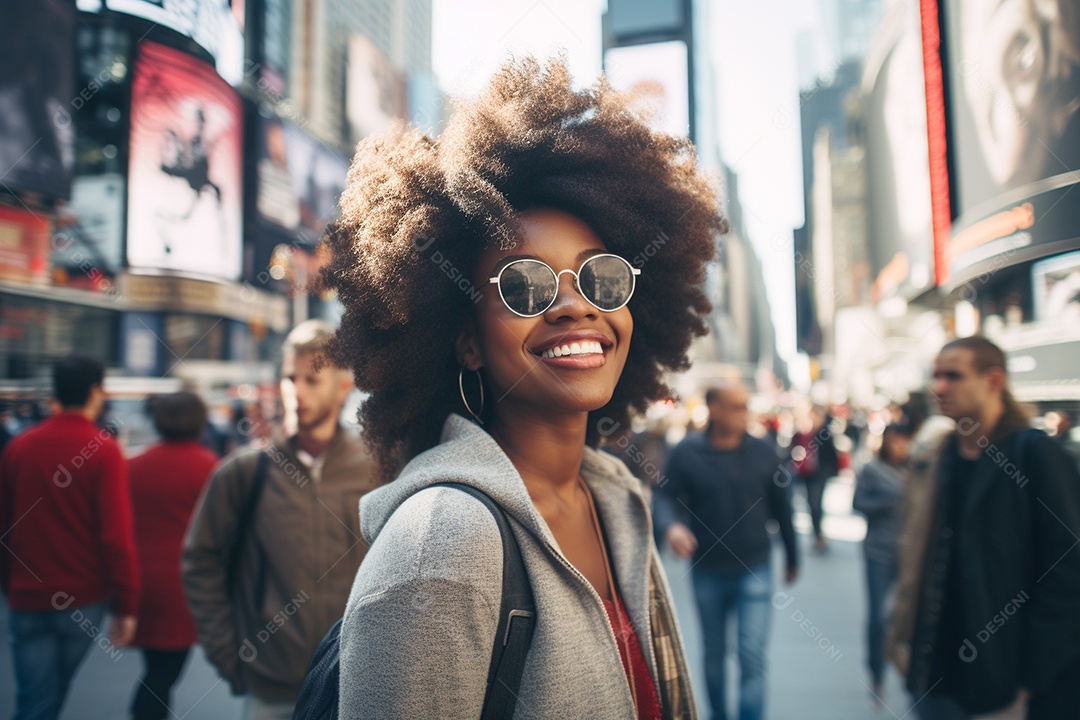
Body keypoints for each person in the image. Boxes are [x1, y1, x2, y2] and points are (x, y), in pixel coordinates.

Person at [319, 57, 721, 718]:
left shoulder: (616, 499)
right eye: (525, 285)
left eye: (602, 278)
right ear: (465, 339)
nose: (574, 306)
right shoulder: (440, 546)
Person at [182, 320, 379, 720]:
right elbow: (200, 562)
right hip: (272, 691)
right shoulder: (243, 474)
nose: (297, 391)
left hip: (360, 686)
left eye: (312, 379)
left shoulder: (380, 469)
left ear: (343, 387)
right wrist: (231, 657)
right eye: (290, 378)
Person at [890, 336, 1080, 719]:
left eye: (954, 376)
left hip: (1005, 685)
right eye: (936, 375)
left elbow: (1068, 569)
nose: (939, 386)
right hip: (934, 673)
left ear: (993, 381)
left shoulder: (1034, 454)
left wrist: (1031, 680)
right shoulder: (940, 456)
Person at [0, 355, 139, 720]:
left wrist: (9, 585)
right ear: (95, 392)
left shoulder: (18, 449)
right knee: (47, 699)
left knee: (39, 697)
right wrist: (126, 605)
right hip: (83, 598)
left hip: (25, 596)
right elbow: (115, 537)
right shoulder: (104, 451)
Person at [654, 383, 799, 720]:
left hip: (755, 568)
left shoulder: (764, 451)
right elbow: (664, 497)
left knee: (751, 656)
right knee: (714, 654)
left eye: (746, 406)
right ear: (714, 409)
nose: (744, 414)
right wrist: (672, 527)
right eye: (736, 407)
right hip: (707, 570)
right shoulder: (686, 452)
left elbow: (783, 508)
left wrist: (793, 558)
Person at [128, 392, 218, 720]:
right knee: (164, 674)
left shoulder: (133, 466)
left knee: (156, 666)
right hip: (183, 585)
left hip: (139, 579)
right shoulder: (210, 468)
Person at [852, 423, 912, 707]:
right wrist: (885, 502)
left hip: (909, 555)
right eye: (896, 441)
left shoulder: (918, 471)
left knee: (903, 617)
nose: (900, 447)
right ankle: (876, 674)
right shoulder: (872, 470)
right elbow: (858, 503)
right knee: (878, 616)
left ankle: (908, 672)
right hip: (878, 552)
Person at [789, 406, 838, 553]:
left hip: (819, 474)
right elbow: (791, 450)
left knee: (815, 503)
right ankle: (817, 533)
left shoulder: (824, 434)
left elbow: (832, 456)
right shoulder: (801, 433)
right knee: (810, 503)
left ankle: (818, 535)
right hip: (805, 474)